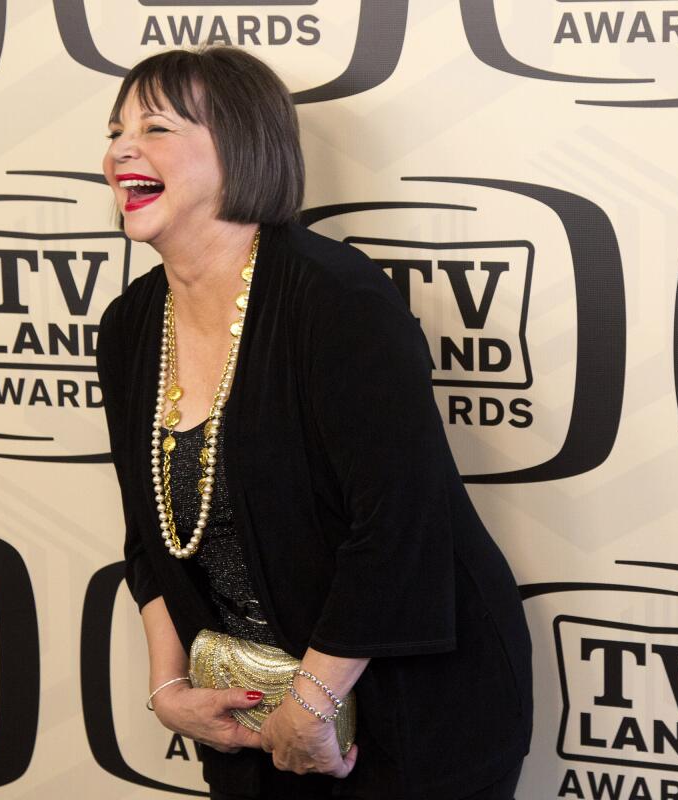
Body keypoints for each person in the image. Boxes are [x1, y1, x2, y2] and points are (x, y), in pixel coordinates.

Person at [95, 46, 532, 799]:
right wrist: (168, 689)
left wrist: (312, 702)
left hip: (417, 713)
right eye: (115, 131)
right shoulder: (129, 326)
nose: (121, 150)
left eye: (156, 128)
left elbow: (400, 525)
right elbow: (150, 536)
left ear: (242, 149)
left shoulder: (337, 300)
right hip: (252, 715)